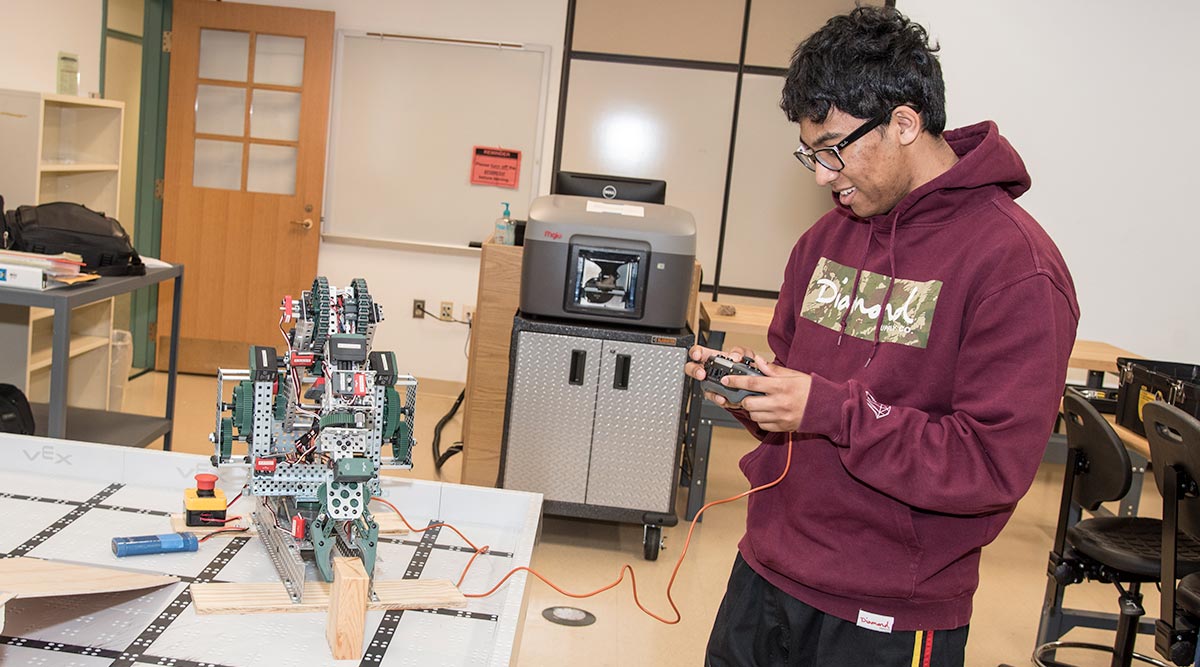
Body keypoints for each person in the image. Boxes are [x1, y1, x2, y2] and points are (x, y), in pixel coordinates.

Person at [685, 6, 1079, 666]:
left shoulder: (1015, 266)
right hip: (768, 574)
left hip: (889, 611)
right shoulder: (827, 239)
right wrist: (761, 394)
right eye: (811, 153)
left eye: (835, 149)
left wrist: (830, 409)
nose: (821, 175)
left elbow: (989, 464)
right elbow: (804, 392)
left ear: (903, 122)